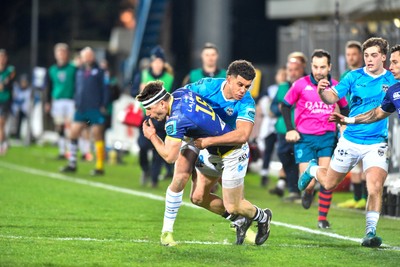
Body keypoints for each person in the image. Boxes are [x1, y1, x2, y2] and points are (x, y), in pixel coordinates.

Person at [158, 60, 271, 247]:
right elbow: (182, 97)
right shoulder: (207, 86)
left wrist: (208, 141)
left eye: (247, 86)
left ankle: (262, 216)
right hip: (206, 145)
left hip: (232, 151)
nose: (243, 90)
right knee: (198, 197)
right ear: (228, 79)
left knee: (234, 205)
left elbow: (242, 135)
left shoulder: (246, 102)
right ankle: (240, 221)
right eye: (240, 85)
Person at [298, 37, 397, 247]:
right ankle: (313, 170)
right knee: (328, 183)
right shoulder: (353, 76)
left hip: (376, 143)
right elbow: (332, 98)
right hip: (350, 140)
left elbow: (380, 113)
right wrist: (321, 92)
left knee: (375, 187)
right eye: (366, 55)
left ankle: (370, 232)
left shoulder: (392, 80)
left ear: (383, 57)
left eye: (374, 55)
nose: (369, 59)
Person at [281, 49, 349, 229]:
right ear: (311, 66)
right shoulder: (300, 84)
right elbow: (285, 106)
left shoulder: (335, 86)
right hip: (304, 138)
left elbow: (345, 107)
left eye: (323, 67)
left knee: (327, 179)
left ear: (329, 67)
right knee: (308, 183)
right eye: (316, 66)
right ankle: (308, 191)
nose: (319, 71)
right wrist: (290, 129)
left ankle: (322, 219)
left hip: (327, 137)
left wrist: (344, 124)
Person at [60, 47, 109, 176]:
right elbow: (77, 88)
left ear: (92, 57)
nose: (87, 58)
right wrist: (76, 101)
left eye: (89, 55)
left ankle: (99, 166)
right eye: (85, 56)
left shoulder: (99, 71)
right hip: (81, 108)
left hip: (95, 107)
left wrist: (104, 104)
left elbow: (105, 88)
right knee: (73, 133)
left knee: (97, 134)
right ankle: (72, 163)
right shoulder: (79, 71)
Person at [268, 53, 307, 201]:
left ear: (302, 69)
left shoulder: (307, 84)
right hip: (283, 129)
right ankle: (293, 190)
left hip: (302, 129)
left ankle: (304, 189)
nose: (292, 73)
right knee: (285, 158)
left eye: (295, 69)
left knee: (302, 159)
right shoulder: (283, 86)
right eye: (290, 70)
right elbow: (273, 107)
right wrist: (280, 108)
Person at [135, 46, 174, 187]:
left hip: (163, 119)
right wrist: (138, 90)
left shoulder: (170, 78)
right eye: (155, 62)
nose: (157, 64)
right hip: (146, 116)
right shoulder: (143, 74)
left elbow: (173, 97)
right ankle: (145, 169)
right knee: (143, 146)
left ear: (163, 63)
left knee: (159, 149)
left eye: (160, 62)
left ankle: (154, 179)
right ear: (151, 63)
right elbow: (133, 90)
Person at [337, 40, 367, 210]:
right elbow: (338, 99)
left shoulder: (367, 74)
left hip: (364, 122)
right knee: (354, 162)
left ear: (361, 56)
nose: (351, 57)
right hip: (348, 123)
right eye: (348, 54)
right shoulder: (345, 76)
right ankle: (356, 198)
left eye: (354, 54)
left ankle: (365, 197)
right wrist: (341, 123)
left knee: (364, 161)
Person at [46, 43, 77, 159]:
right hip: (57, 100)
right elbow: (49, 86)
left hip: (70, 100)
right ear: (55, 55)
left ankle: (70, 150)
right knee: (59, 126)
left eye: (63, 52)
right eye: (59, 52)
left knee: (69, 126)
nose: (61, 55)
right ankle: (62, 150)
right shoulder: (52, 70)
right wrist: (48, 102)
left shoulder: (73, 68)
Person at [257, 67, 286, 187]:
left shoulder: (289, 89)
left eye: (285, 74)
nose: (283, 76)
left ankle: (283, 178)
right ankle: (264, 174)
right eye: (281, 74)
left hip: (282, 124)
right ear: (276, 76)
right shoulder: (271, 90)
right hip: (270, 125)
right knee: (268, 150)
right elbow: (260, 106)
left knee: (283, 152)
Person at [0, 49, 16, 155]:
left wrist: (4, 85)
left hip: (6, 99)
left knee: (1, 123)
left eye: (4, 57)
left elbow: (9, 82)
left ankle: (1, 144)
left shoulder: (10, 69)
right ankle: (5, 142)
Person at [11, 74, 32, 140]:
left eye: (25, 82)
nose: (23, 84)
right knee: (18, 121)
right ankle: (17, 136)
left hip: (27, 110)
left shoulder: (29, 90)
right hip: (18, 110)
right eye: (22, 82)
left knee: (30, 123)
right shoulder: (18, 90)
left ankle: (30, 136)